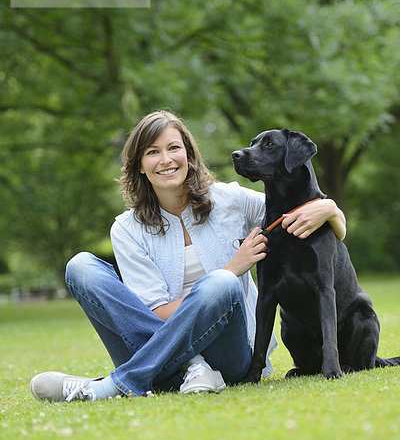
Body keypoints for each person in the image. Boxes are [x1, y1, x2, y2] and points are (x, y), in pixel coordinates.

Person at [30, 110, 346, 402]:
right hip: (156, 343)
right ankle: (191, 369)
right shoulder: (126, 229)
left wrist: (329, 208)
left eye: (173, 148)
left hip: (231, 356)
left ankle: (111, 385)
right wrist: (233, 267)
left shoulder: (229, 199)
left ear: (189, 155)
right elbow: (153, 315)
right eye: (152, 152)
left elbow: (306, 213)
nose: (165, 159)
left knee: (221, 284)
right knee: (81, 266)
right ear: (140, 164)